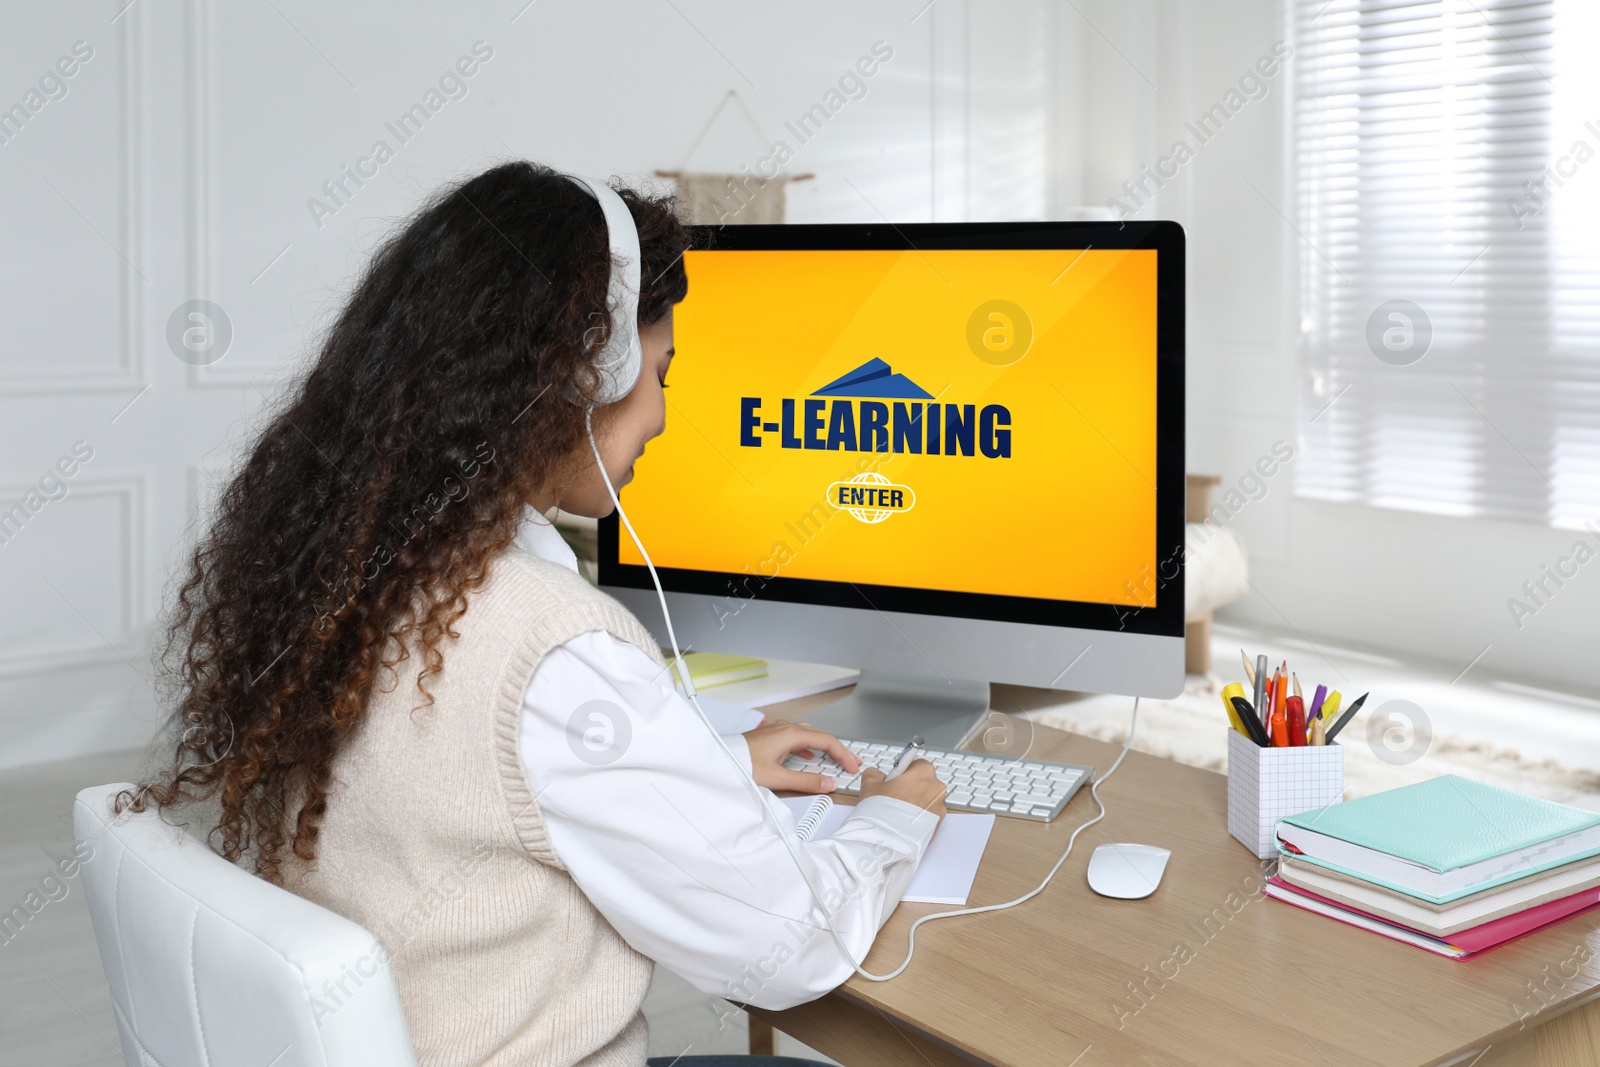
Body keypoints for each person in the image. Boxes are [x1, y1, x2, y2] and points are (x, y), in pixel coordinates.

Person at [123, 160, 947, 1067]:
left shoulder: (359, 573)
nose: (666, 415)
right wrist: (895, 816)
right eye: (661, 372)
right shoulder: (553, 646)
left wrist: (703, 763)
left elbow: (467, 785)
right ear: (585, 374)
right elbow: (793, 942)